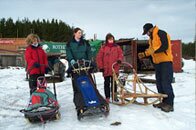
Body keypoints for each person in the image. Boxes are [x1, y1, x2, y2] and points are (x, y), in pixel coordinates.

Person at [138, 23, 175, 112]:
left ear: (150, 29)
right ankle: (163, 101)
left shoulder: (161, 33)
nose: (147, 34)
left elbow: (164, 46)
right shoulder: (151, 39)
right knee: (159, 83)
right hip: (157, 63)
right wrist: (144, 54)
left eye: (147, 32)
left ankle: (169, 104)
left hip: (165, 62)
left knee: (166, 82)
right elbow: (151, 50)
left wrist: (153, 51)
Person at [96, 33, 124, 103]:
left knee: (114, 83)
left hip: (114, 68)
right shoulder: (103, 48)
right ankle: (107, 97)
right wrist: (101, 67)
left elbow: (121, 54)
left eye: (112, 39)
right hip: (106, 69)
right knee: (107, 83)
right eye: (109, 39)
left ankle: (114, 96)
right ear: (107, 40)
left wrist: (119, 59)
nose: (111, 40)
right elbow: (99, 58)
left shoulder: (117, 47)